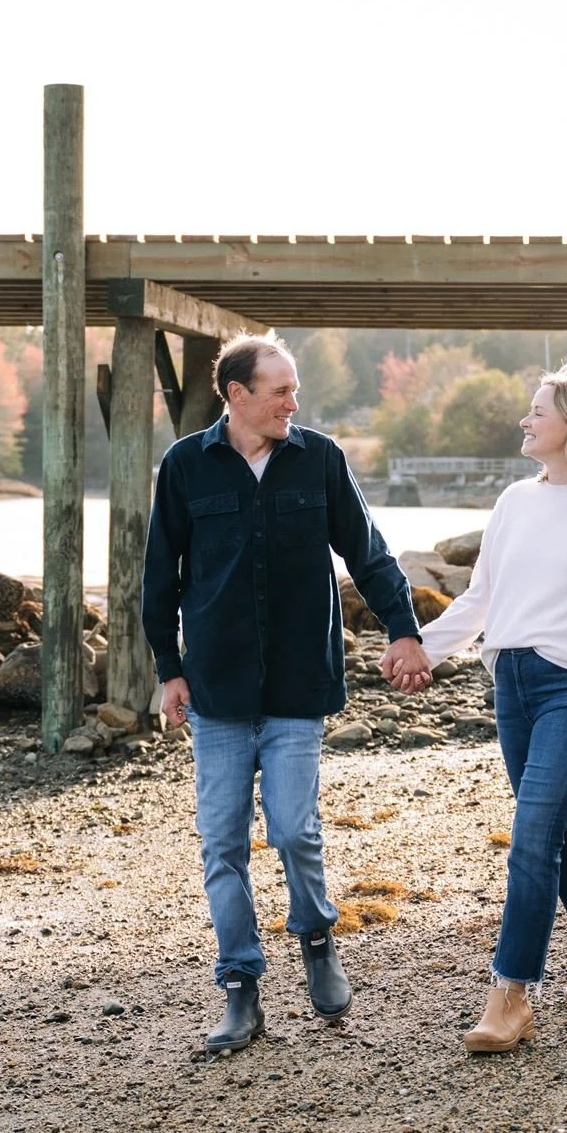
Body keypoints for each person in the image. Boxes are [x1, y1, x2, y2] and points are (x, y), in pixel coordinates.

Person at [143, 333, 431, 1053]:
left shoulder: (321, 458)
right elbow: (158, 578)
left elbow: (366, 552)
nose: (292, 403)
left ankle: (315, 936)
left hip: (299, 683)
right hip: (216, 687)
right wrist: (166, 669)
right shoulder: (184, 466)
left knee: (296, 829)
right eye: (279, 390)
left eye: (294, 389)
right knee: (222, 843)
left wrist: (404, 629)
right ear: (236, 394)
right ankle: (240, 986)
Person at [403, 366, 567, 1053]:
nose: (525, 422)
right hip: (513, 682)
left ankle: (510, 994)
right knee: (551, 829)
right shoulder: (515, 500)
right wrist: (419, 649)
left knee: (530, 835)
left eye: (537, 412)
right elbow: (480, 600)